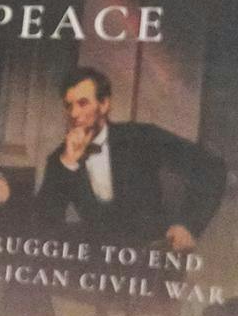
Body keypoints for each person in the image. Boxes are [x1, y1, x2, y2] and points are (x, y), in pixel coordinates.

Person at [32, 69, 226, 252]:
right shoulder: (60, 159)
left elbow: (210, 167)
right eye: (68, 105)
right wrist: (68, 163)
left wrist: (188, 225)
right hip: (95, 262)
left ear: (104, 104)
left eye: (83, 103)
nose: (74, 114)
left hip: (150, 255)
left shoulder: (141, 137)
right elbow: (43, 225)